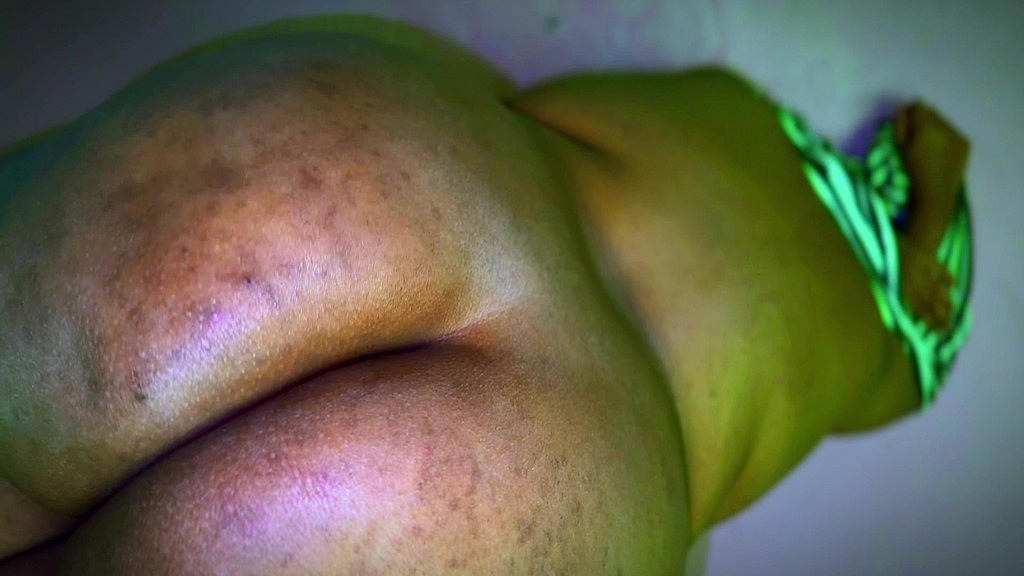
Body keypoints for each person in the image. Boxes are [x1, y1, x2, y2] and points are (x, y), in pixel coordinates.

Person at [0, 14, 972, 575]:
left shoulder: (737, 111)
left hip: (427, 159)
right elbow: (941, 165)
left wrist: (926, 204)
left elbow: (937, 144)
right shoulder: (903, 350)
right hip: (601, 470)